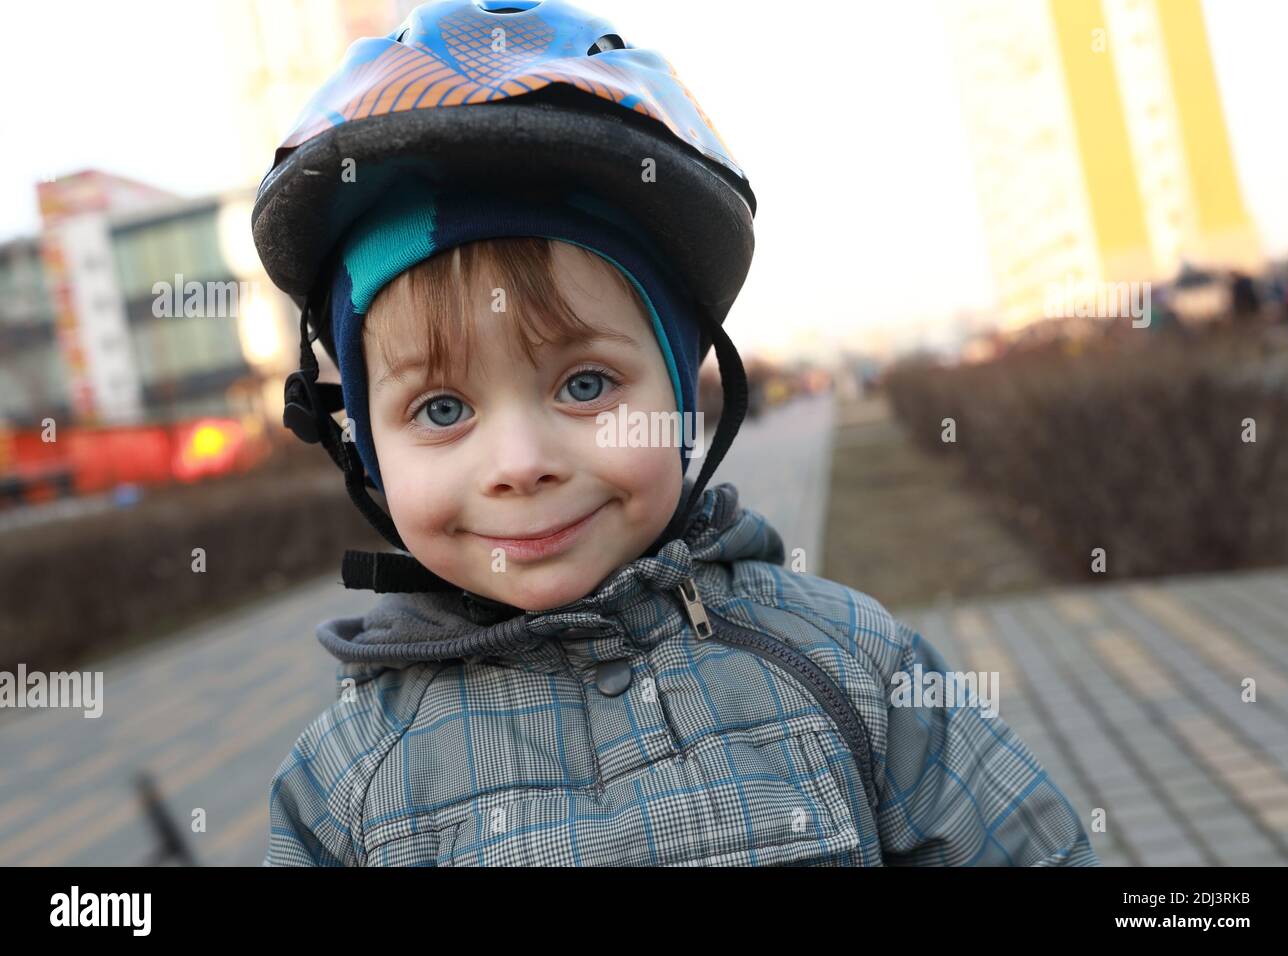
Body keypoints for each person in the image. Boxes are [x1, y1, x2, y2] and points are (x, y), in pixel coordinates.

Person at [253, 0, 1099, 866]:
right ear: (361, 446)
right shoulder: (347, 788)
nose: (518, 465)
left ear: (685, 390)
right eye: (441, 410)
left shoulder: (845, 662)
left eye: (585, 385)